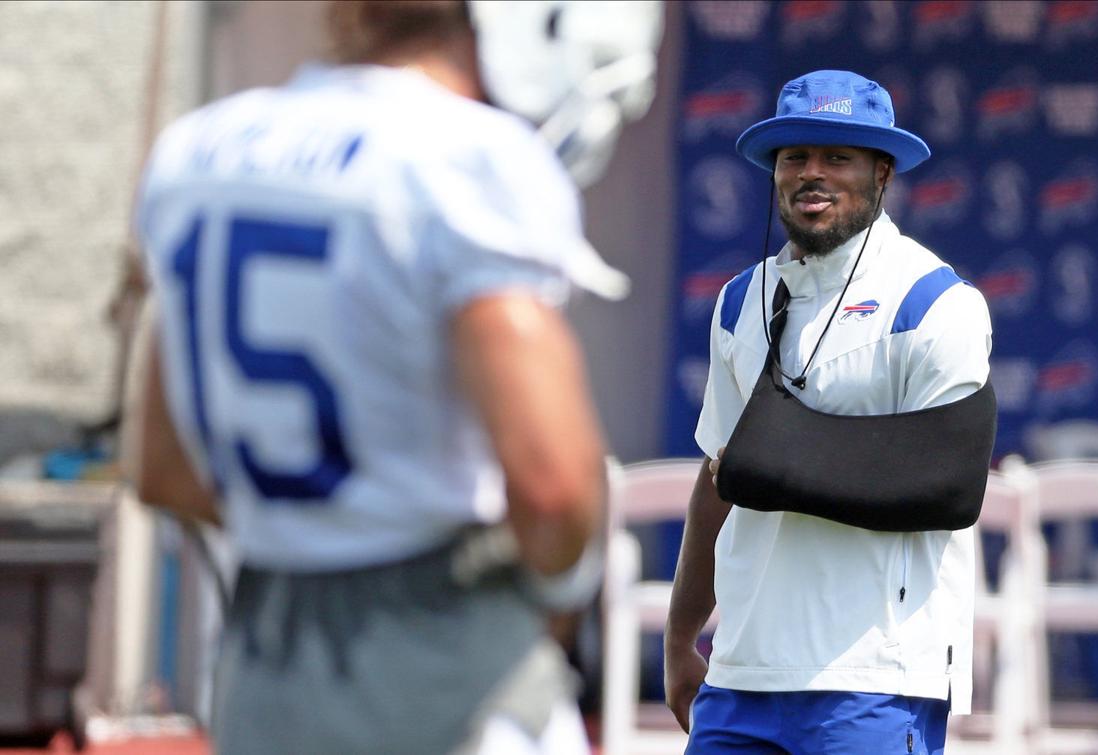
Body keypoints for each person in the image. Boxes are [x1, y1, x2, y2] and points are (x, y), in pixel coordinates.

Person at [120, 2, 661, 753]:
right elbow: (554, 489)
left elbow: (161, 468)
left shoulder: (199, 151)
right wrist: (556, 600)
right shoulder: (467, 158)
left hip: (264, 659)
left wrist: (313, 529)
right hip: (438, 654)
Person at [664, 70, 994, 754]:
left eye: (836, 157)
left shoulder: (933, 302)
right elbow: (720, 475)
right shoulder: (737, 302)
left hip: (873, 678)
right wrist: (679, 632)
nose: (811, 173)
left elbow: (949, 483)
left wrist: (783, 461)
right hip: (740, 672)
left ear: (882, 174)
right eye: (794, 157)